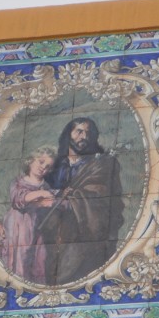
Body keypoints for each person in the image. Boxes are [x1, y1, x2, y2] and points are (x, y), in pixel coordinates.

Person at [39, 117, 124, 284]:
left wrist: (71, 200)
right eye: (79, 131)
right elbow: (35, 192)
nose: (84, 136)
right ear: (68, 135)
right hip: (52, 234)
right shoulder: (53, 166)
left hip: (84, 233)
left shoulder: (101, 164)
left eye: (88, 133)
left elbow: (102, 195)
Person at [0, 146, 57, 284]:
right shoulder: (19, 182)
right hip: (18, 225)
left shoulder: (46, 186)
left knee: (39, 258)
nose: (43, 168)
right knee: (21, 257)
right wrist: (41, 194)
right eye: (41, 162)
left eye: (48, 167)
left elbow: (48, 205)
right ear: (31, 160)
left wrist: (49, 202)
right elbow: (17, 199)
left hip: (37, 225)